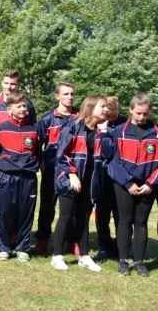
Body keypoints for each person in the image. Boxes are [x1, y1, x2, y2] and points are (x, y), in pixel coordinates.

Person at [51, 95, 111, 272]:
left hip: (91, 181)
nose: (106, 110)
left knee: (84, 218)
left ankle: (84, 256)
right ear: (91, 108)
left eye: (106, 107)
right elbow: (62, 154)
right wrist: (72, 174)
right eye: (102, 107)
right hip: (70, 179)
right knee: (66, 216)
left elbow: (108, 154)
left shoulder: (102, 130)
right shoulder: (73, 126)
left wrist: (106, 132)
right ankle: (57, 256)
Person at [0, 70, 36, 250]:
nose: (9, 87)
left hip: (19, 162)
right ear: (1, 83)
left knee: (16, 200)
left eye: (13, 84)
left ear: (18, 85)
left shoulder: (27, 106)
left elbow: (32, 131)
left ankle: (12, 234)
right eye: (6, 83)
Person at [104, 94, 158, 277]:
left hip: (148, 186)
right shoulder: (119, 131)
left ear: (150, 111)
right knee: (125, 221)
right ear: (130, 110)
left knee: (141, 223)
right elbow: (112, 162)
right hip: (124, 184)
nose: (142, 117)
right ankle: (123, 261)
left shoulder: (156, 133)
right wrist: (128, 182)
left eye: (145, 113)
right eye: (138, 113)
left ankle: (140, 262)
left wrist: (151, 183)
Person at [0, 93, 41, 262]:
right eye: (18, 106)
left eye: (24, 106)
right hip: (7, 176)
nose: (22, 109)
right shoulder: (1, 128)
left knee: (25, 213)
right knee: (5, 212)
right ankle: (4, 247)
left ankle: (22, 247)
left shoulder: (34, 128)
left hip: (28, 177)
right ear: (9, 109)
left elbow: (38, 151)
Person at [32, 82, 77, 254]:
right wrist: (43, 165)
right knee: (47, 206)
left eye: (72, 94)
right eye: (66, 94)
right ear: (57, 96)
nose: (70, 97)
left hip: (73, 170)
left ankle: (71, 241)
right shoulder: (47, 119)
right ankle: (42, 239)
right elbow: (37, 144)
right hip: (52, 170)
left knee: (71, 209)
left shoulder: (80, 117)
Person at [94, 95, 126, 259]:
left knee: (122, 215)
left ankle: (121, 246)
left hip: (121, 177)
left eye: (113, 115)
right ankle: (104, 244)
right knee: (102, 213)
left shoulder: (126, 125)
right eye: (107, 115)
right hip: (103, 176)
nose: (110, 119)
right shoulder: (97, 123)